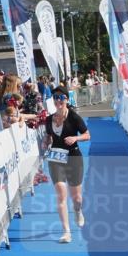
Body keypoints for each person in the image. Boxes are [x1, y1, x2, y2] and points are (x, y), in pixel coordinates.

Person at [42, 85, 90, 244]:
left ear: (67, 100)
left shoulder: (74, 117)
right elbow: (48, 136)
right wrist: (45, 141)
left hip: (73, 157)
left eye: (61, 98)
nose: (58, 101)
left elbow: (87, 135)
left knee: (76, 197)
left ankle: (77, 210)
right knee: (61, 194)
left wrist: (75, 138)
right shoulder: (49, 119)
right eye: (55, 98)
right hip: (56, 159)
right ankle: (66, 232)